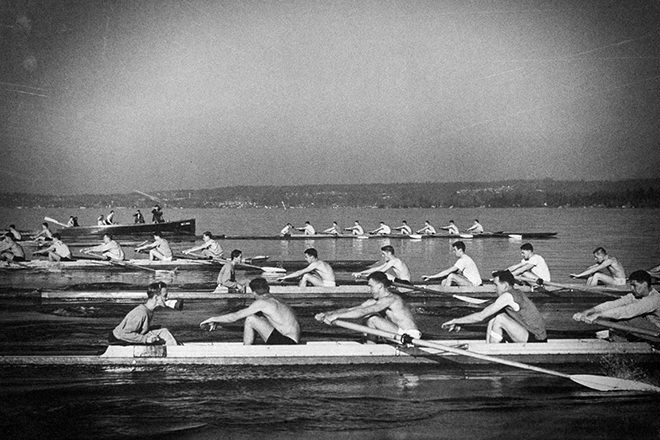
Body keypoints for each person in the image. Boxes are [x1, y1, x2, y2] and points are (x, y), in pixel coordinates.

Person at [442, 270, 547, 343]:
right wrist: (462, 325)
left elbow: (480, 316)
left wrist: (455, 320)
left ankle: (492, 350)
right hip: (531, 334)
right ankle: (489, 347)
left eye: (496, 285)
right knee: (494, 318)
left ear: (505, 285)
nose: (494, 289)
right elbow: (487, 317)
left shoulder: (508, 296)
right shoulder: (516, 292)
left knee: (500, 319)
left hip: (536, 339)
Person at [315, 271, 421, 341]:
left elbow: (362, 313)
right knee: (369, 317)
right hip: (398, 333)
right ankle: (371, 345)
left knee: (373, 318)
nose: (369, 289)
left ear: (380, 286)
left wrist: (336, 317)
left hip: (410, 336)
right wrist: (328, 314)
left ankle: (371, 348)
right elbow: (354, 309)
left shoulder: (391, 299)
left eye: (371, 286)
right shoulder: (377, 300)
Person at [201, 277, 301, 345]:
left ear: (253, 292)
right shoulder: (278, 300)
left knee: (250, 319)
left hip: (287, 343)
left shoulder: (262, 302)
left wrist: (213, 318)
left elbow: (235, 316)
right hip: (293, 340)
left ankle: (247, 351)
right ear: (268, 288)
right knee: (257, 317)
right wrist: (219, 323)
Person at [573, 270, 660, 333]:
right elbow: (615, 304)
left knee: (627, 318)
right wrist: (589, 311)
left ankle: (618, 346)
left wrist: (599, 315)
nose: (631, 288)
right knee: (615, 315)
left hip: (657, 334)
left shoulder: (654, 299)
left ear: (644, 284)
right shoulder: (636, 296)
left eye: (634, 285)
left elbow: (627, 311)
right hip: (650, 329)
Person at [109, 281, 178, 345]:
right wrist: (146, 339)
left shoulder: (149, 310)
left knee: (163, 331)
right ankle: (176, 351)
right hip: (120, 340)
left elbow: (140, 329)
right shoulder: (140, 313)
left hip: (130, 336)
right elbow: (123, 334)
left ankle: (175, 348)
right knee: (164, 333)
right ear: (156, 298)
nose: (167, 298)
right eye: (165, 296)